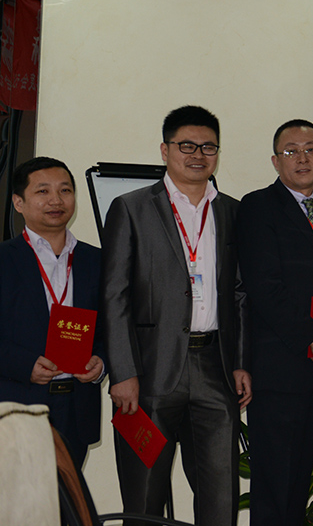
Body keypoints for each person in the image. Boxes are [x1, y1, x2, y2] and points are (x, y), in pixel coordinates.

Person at [103, 105, 250, 525]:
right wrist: (123, 372)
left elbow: (240, 293)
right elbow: (115, 294)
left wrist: (240, 362)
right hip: (149, 373)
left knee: (220, 494)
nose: (198, 155)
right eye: (187, 145)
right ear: (165, 150)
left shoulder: (232, 211)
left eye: (208, 147)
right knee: (144, 494)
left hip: (215, 368)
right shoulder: (131, 208)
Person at [235, 119, 313, 526]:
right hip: (279, 369)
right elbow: (263, 286)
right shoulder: (257, 207)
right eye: (291, 151)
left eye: (310, 149)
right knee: (273, 486)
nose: (302, 158)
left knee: (299, 482)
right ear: (275, 161)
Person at [0, 157, 103, 468]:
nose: (56, 200)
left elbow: (114, 327)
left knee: (66, 496)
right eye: (43, 191)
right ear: (18, 202)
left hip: (76, 407)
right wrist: (24, 365)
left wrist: (101, 362)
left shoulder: (97, 261)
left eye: (65, 190)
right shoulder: (4, 260)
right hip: (17, 404)